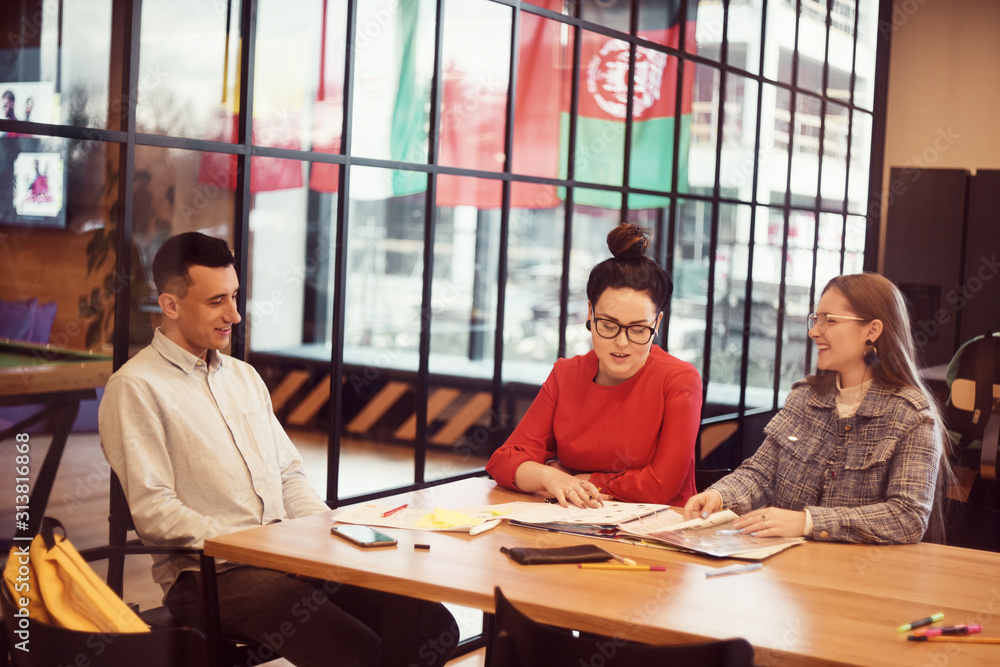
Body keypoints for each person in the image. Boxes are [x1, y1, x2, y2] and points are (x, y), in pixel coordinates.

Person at [99, 232, 457, 667]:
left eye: (234, 296)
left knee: (431, 625)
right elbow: (155, 513)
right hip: (210, 575)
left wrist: (324, 533)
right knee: (360, 654)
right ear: (170, 305)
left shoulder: (244, 377)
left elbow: (289, 475)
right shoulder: (135, 388)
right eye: (217, 302)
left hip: (285, 556)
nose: (234, 313)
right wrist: (256, 546)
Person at [684, 273, 950, 544]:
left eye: (830, 321)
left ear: (872, 331)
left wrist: (807, 522)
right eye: (816, 319)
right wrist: (718, 496)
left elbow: (907, 517)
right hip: (789, 571)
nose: (813, 331)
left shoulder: (912, 414)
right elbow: (761, 473)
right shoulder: (805, 397)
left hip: (862, 578)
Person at [486, 222, 702, 507]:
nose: (622, 343)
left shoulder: (678, 379)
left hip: (658, 534)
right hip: (576, 522)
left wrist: (582, 479)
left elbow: (660, 485)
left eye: (638, 329)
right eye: (609, 325)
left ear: (657, 323)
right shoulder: (567, 374)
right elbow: (503, 462)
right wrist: (549, 477)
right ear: (590, 312)